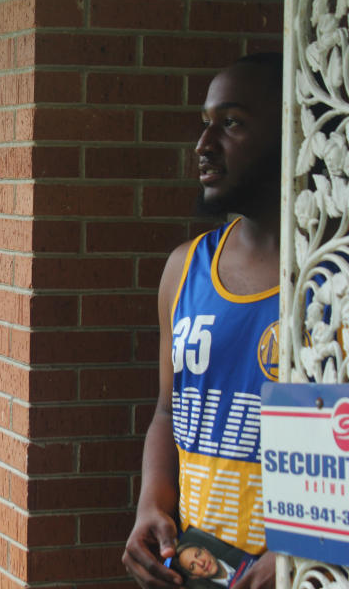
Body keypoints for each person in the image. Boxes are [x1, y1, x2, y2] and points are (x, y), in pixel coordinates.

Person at [121, 53, 284, 589]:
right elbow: (169, 411)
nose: (204, 145)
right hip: (198, 570)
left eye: (232, 123)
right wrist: (151, 504)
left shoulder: (331, 277)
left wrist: (302, 553)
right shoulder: (183, 268)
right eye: (205, 123)